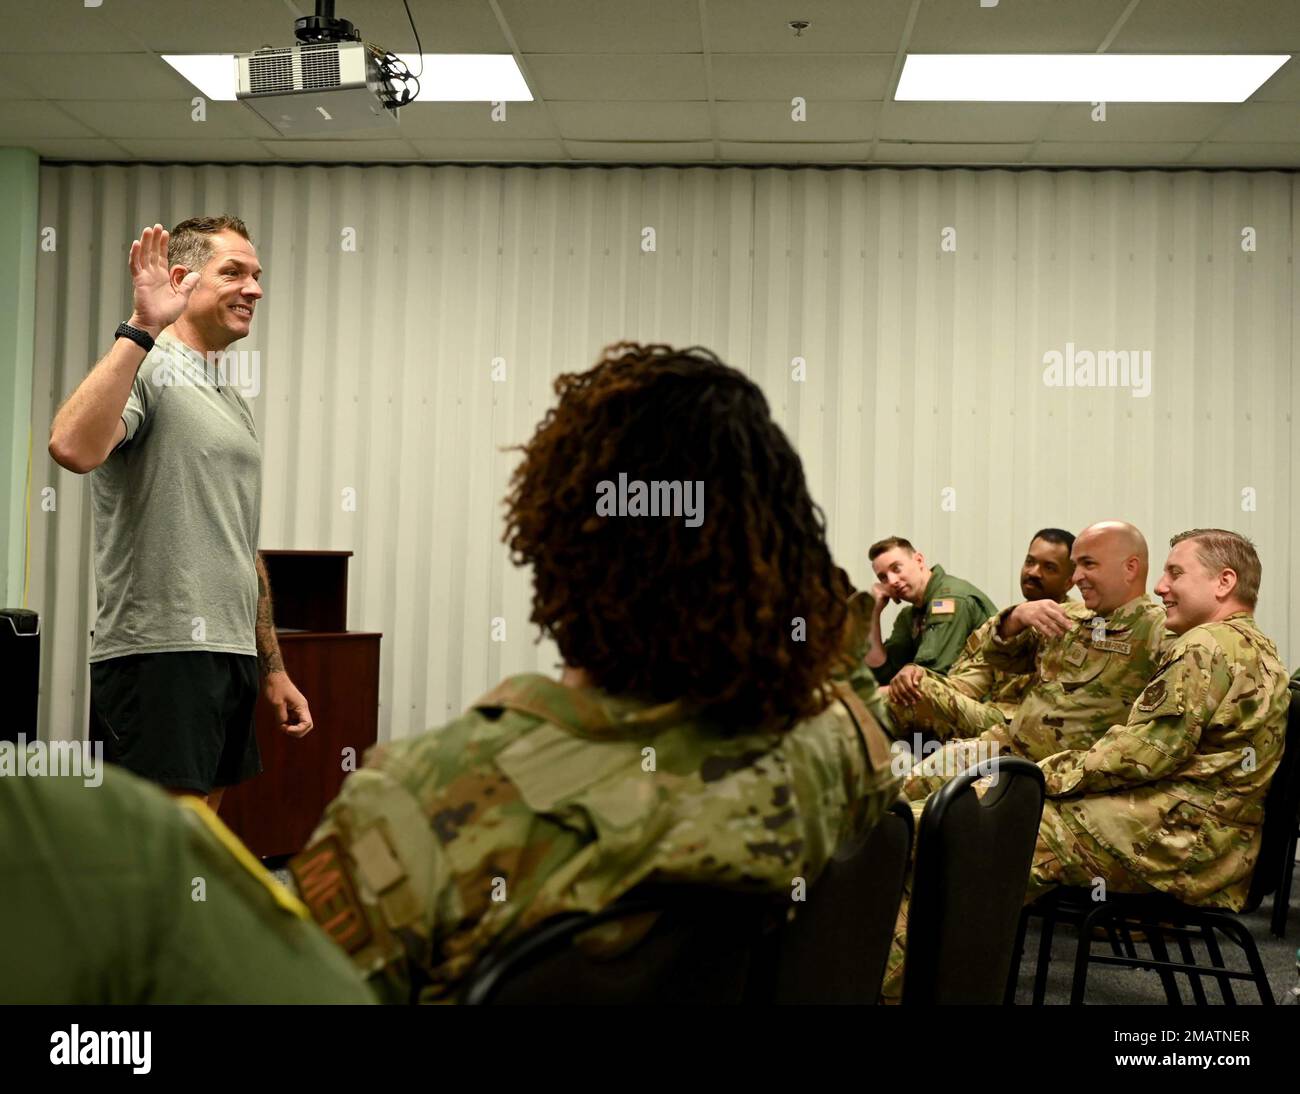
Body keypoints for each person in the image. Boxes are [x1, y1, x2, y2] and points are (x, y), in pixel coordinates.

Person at [289, 342, 900, 1003]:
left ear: (555, 540)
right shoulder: (833, 750)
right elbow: (850, 690)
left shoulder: (412, 805)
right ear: (773, 545)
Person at [883, 529, 1290, 999]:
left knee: (984, 830)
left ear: (1224, 582)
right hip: (1195, 827)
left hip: (1185, 835)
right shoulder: (1251, 645)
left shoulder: (1203, 647)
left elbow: (1141, 754)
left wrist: (1039, 778)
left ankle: (885, 969)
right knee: (972, 819)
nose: (1162, 586)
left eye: (1176, 573)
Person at [47, 218, 312, 812]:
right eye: (234, 272)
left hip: (228, 654)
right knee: (154, 860)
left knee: (196, 853)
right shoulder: (146, 366)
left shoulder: (228, 396)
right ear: (180, 280)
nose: (255, 289)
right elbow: (71, 447)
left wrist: (272, 667)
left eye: (258, 276)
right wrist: (141, 326)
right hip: (160, 654)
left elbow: (240, 546)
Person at [0, 764, 375, 1004]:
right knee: (181, 792)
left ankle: (197, 913)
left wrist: (274, 671)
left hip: (229, 657)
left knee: (207, 788)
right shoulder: (63, 820)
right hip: (168, 655)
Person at [904, 520, 1167, 801]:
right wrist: (1016, 618)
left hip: (1055, 774)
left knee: (944, 818)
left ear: (1130, 568)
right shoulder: (1071, 618)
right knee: (908, 791)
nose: (1077, 577)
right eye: (1076, 566)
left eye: (1088, 565)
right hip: (1004, 745)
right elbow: (1002, 658)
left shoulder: (1156, 630)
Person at [886, 528, 1076, 742]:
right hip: (987, 718)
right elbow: (966, 684)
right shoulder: (1006, 622)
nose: (1033, 572)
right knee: (894, 699)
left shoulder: (1074, 629)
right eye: (1030, 562)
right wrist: (916, 674)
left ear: (1069, 581)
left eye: (1049, 567)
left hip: (1024, 730)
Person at [864, 537, 996, 685]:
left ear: (919, 560)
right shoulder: (910, 615)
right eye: (883, 577)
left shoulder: (949, 601)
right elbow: (883, 673)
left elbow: (928, 681)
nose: (892, 581)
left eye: (896, 569)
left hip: (986, 701)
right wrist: (872, 613)